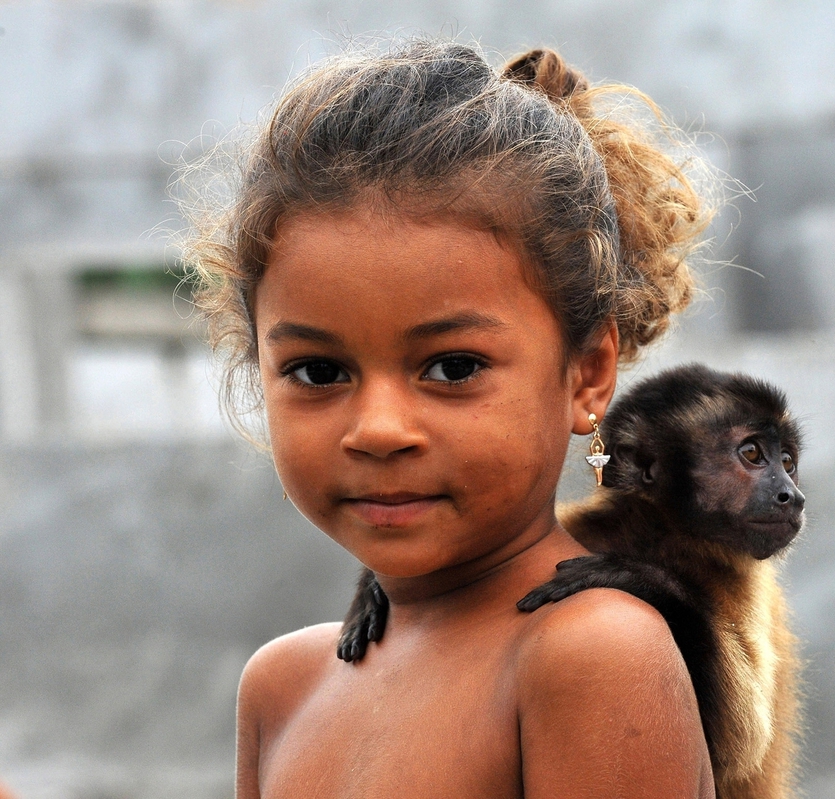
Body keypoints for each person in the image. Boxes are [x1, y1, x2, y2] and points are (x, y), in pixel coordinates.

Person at [181, 38, 716, 798]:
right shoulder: (285, 686)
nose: (378, 428)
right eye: (319, 372)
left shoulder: (590, 652)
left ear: (588, 374)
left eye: (453, 367)